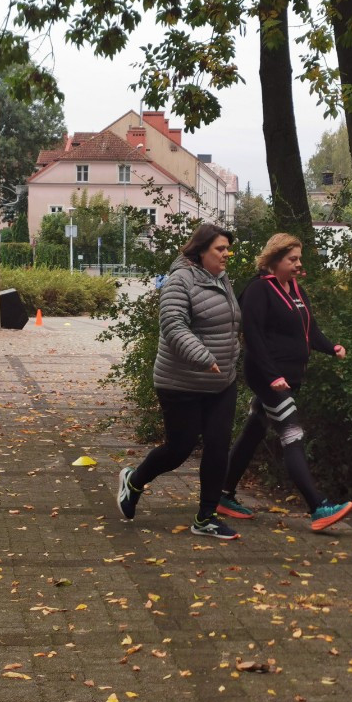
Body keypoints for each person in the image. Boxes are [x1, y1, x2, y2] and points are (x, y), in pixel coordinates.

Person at [219, 233, 352, 532]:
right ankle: (318, 506)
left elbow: (309, 331)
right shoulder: (258, 290)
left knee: (254, 431)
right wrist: (272, 376)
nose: (298, 264)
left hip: (289, 377)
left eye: (299, 259)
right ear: (274, 260)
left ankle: (222, 493)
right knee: (293, 433)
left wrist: (331, 347)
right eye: (292, 259)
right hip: (268, 377)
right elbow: (252, 338)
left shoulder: (295, 288)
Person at [117, 223, 243, 539]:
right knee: (179, 449)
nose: (226, 254)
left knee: (218, 446)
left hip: (221, 382)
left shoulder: (222, 279)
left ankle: (206, 517)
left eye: (228, 249)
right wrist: (204, 357)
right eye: (220, 249)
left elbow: (229, 325)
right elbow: (174, 327)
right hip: (181, 382)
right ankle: (134, 480)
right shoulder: (179, 281)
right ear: (201, 251)